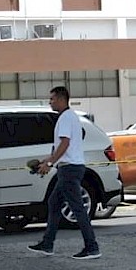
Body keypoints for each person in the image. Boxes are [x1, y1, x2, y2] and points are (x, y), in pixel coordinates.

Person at [28, 86, 100, 260]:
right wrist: (46, 161)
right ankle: (47, 244)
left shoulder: (66, 118)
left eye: (52, 99)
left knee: (77, 209)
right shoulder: (68, 117)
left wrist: (51, 162)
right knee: (54, 204)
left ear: (61, 99)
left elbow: (65, 143)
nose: (50, 102)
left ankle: (92, 247)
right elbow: (63, 147)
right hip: (69, 167)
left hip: (70, 169)